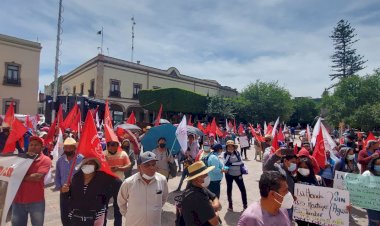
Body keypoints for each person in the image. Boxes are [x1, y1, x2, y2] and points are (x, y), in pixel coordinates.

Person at [61, 157, 122, 226]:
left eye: (90, 163)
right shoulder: (76, 178)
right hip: (77, 218)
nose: (87, 165)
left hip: (96, 218)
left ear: (95, 166)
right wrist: (65, 191)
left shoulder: (102, 178)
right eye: (85, 163)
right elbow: (69, 197)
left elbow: (117, 182)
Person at [117, 151, 168, 226]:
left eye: (153, 164)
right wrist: (129, 215)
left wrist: (154, 211)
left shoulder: (162, 180)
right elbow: (121, 203)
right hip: (133, 223)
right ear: (138, 167)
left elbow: (163, 199)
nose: (151, 168)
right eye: (147, 165)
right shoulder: (128, 183)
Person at [12, 136, 52, 226]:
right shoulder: (20, 158)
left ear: (42, 147)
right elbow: (10, 172)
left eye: (36, 145)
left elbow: (37, 177)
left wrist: (17, 176)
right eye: (31, 145)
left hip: (36, 201)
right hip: (18, 200)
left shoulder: (45, 160)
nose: (33, 146)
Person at [180, 161, 221, 226]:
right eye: (204, 175)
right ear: (196, 179)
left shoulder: (199, 188)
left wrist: (213, 206)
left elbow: (214, 197)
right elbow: (215, 222)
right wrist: (215, 212)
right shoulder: (197, 197)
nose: (207, 176)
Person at [55, 137, 84, 226]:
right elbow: (57, 177)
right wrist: (60, 188)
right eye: (66, 147)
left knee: (78, 214)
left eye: (70, 147)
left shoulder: (82, 159)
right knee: (65, 214)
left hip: (78, 191)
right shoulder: (60, 161)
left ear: (75, 147)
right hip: (64, 191)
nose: (68, 149)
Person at [104, 141, 131, 226]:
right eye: (109, 145)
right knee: (103, 207)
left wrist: (119, 168)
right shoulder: (103, 154)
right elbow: (98, 167)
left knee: (118, 206)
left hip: (119, 184)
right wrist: (105, 163)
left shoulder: (123, 154)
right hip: (105, 184)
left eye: (114, 145)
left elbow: (128, 165)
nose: (111, 147)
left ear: (117, 146)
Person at [223, 140, 247, 211]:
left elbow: (241, 162)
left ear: (234, 147)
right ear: (227, 147)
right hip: (229, 174)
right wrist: (229, 155)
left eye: (231, 146)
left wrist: (231, 164)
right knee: (229, 189)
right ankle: (230, 205)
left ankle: (245, 205)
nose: (230, 147)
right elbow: (225, 163)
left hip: (238, 174)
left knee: (243, 189)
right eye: (229, 146)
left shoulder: (237, 153)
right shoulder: (225, 154)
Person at [362, 156, 380, 226]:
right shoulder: (367, 174)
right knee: (373, 223)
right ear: (373, 165)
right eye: (377, 165)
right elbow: (359, 187)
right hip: (372, 204)